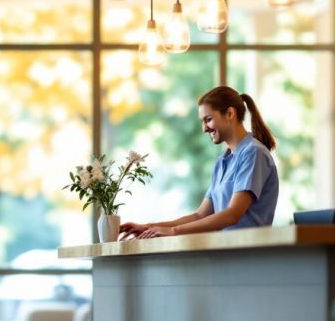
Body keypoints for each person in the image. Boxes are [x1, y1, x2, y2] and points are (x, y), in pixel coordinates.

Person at [119, 86, 280, 240]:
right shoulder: (222, 162)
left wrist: (174, 231)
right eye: (202, 121)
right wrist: (148, 227)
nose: (204, 128)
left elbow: (233, 214)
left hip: (252, 255)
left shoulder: (253, 153)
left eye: (208, 120)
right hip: (228, 254)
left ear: (230, 113)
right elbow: (200, 215)